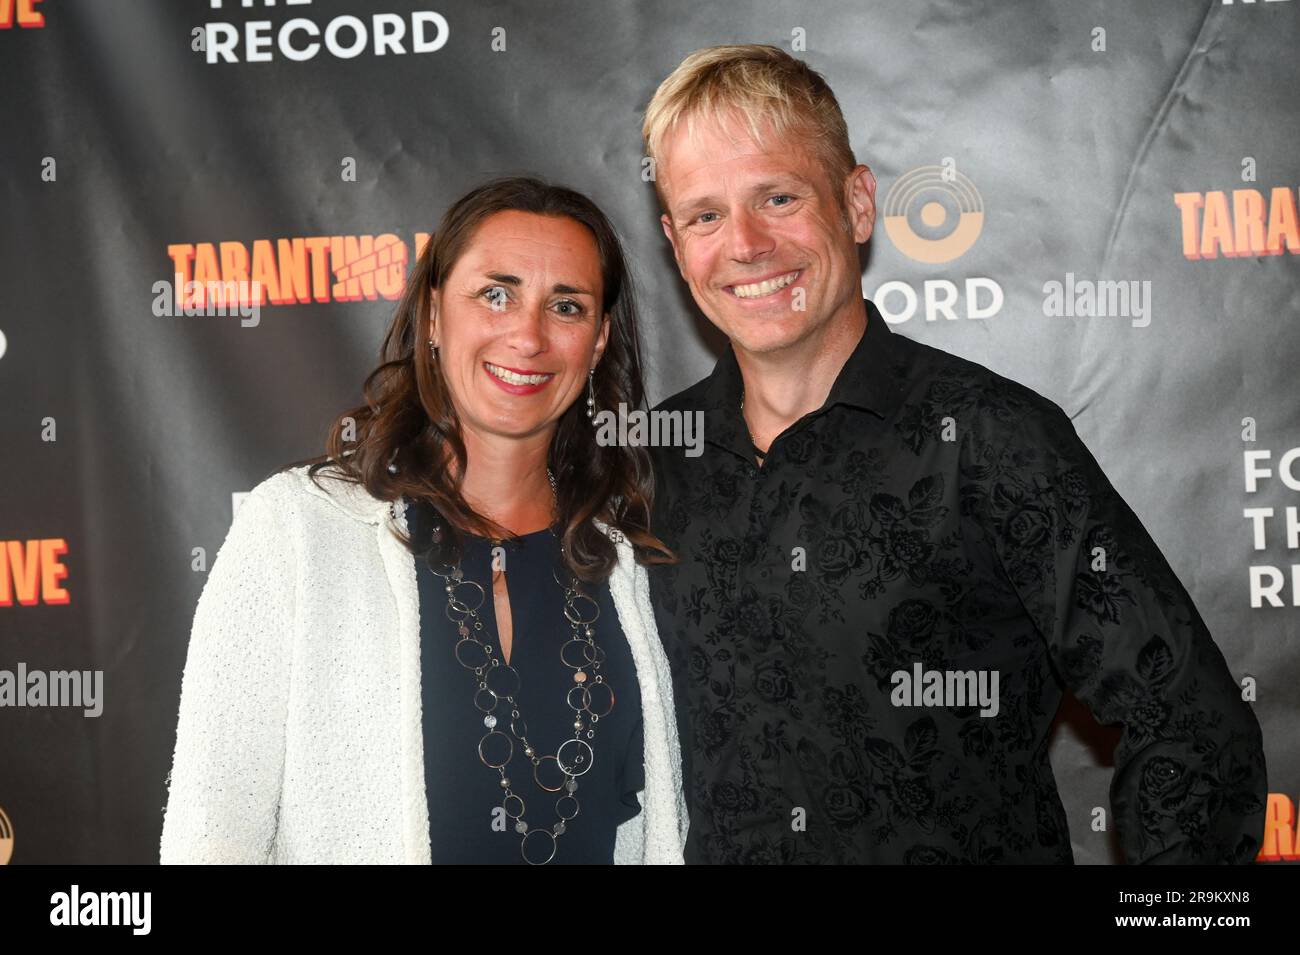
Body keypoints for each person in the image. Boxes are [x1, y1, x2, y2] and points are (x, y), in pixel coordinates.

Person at [640, 44, 1266, 864]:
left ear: (857, 204)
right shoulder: (648, 462)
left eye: (779, 196)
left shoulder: (988, 436)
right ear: (675, 242)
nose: (746, 243)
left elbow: (1188, 717)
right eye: (706, 215)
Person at [160, 176, 688, 865]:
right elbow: (212, 831)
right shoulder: (297, 531)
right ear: (435, 315)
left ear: (596, 343)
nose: (527, 335)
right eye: (495, 294)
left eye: (566, 305)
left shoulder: (621, 569)